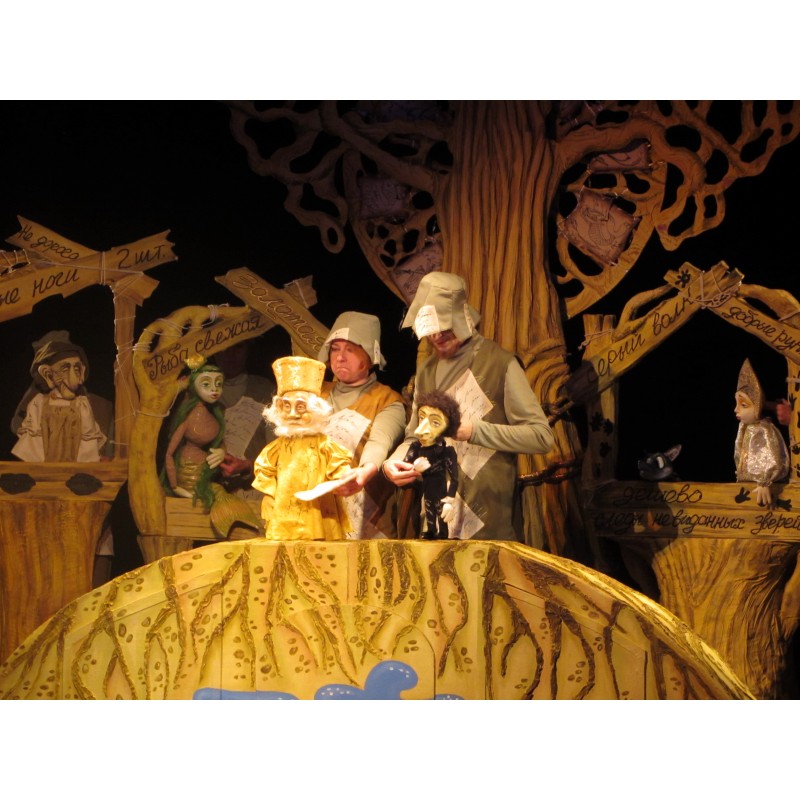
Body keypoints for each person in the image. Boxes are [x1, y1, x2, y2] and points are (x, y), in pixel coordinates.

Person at [382, 271, 555, 541]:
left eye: (445, 326)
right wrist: (395, 461)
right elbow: (415, 435)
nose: (437, 335)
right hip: (436, 518)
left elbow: (541, 437)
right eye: (431, 329)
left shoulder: (499, 363)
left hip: (489, 521)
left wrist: (475, 431)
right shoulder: (426, 372)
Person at [316, 311, 406, 538]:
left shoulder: (387, 400)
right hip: (315, 515)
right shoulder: (314, 393)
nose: (340, 357)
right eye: (335, 349)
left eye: (350, 349)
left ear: (369, 354)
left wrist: (365, 471)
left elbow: (380, 441)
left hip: (365, 520)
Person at [252, 356, 355, 541]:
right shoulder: (277, 447)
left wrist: (343, 477)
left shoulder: (324, 444)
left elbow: (339, 465)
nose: (292, 414)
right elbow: (264, 469)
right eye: (286, 406)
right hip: (285, 511)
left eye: (300, 407)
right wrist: (268, 495)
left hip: (318, 510)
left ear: (315, 410)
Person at [162, 355, 260, 536]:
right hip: (187, 473)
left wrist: (221, 452)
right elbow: (169, 453)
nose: (214, 390)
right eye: (206, 384)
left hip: (204, 474)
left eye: (218, 384)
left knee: (219, 494)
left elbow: (220, 442)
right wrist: (175, 486)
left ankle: (237, 522)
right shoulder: (187, 416)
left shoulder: (215, 414)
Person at [13, 334, 108, 462]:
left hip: (74, 466)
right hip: (46, 466)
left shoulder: (81, 404)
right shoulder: (38, 403)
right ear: (48, 374)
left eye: (76, 368)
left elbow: (87, 439)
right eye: (65, 369)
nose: (73, 377)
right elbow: (33, 439)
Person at [403, 390, 460, 540]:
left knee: (442, 521)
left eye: (435, 423)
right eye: (421, 418)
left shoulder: (447, 452)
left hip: (441, 494)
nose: (419, 431)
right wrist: (414, 468)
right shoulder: (416, 447)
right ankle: (430, 531)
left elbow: (454, 479)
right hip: (427, 492)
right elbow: (405, 466)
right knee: (429, 514)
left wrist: (450, 500)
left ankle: (442, 534)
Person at [734, 358, 789, 508]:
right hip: (747, 486)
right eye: (737, 404)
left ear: (757, 406)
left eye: (743, 405)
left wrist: (765, 481)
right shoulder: (744, 427)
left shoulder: (764, 429)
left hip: (763, 487)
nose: (736, 409)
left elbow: (774, 455)